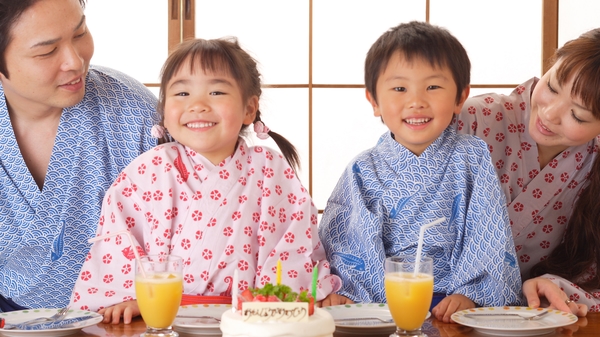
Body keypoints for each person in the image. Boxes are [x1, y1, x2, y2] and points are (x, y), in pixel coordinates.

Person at [70, 37, 341, 324]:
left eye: (216, 92)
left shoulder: (270, 170)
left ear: (249, 109)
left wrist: (274, 302)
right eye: (182, 94)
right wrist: (130, 295)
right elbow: (118, 238)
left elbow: (292, 242)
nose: (197, 105)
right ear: (163, 109)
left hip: (248, 318)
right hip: (161, 314)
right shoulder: (148, 169)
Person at [318, 21, 522, 323]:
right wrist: (355, 294)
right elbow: (349, 243)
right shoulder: (363, 168)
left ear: (460, 97)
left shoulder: (472, 157)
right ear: (373, 101)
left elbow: (487, 233)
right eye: (399, 88)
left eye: (433, 87)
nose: (416, 101)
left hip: (450, 306)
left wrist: (472, 295)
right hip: (382, 304)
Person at [0, 0, 158, 312]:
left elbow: (194, 230)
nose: (75, 61)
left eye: (80, 33)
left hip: (128, 315)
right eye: (47, 51)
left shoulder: (134, 112)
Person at [453, 28, 600, 316]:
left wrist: (555, 287)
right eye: (553, 87)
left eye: (578, 114)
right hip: (427, 306)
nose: (549, 113)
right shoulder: (474, 119)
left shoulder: (594, 169)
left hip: (522, 320)